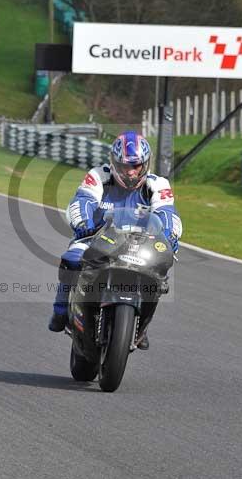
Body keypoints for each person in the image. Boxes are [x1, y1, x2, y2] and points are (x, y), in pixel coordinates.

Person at [48, 131, 183, 350]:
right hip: (96, 236)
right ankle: (60, 310)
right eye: (124, 166)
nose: (130, 172)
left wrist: (169, 236)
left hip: (140, 241)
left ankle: (140, 326)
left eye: (136, 166)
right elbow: (82, 201)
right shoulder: (98, 175)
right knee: (72, 258)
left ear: (145, 164)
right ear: (114, 162)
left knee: (161, 269)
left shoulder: (158, 184)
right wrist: (83, 223)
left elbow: (168, 214)